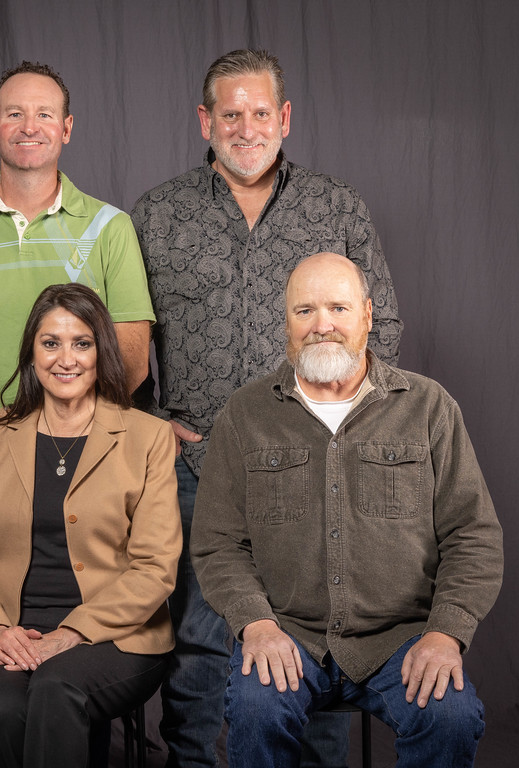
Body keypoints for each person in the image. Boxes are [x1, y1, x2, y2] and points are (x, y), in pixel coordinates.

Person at [130, 49, 404, 766]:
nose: (245, 127)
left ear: (283, 118)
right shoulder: (155, 215)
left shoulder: (334, 206)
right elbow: (123, 339)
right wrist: (148, 419)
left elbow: (387, 328)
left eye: (260, 112)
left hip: (316, 461)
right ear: (204, 120)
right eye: (230, 113)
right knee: (197, 637)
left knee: (314, 631)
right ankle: (194, 761)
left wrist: (346, 420)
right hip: (196, 461)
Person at [0, 61, 154, 765]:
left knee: (78, 659)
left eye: (44, 114)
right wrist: (1, 438)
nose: (28, 127)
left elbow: (131, 357)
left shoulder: (109, 228)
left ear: (67, 129)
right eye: (13, 113)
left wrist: (70, 438)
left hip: (90, 474)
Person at [190, 253, 503, 767]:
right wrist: (256, 625)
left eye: (338, 307)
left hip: (402, 639)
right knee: (253, 708)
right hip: (287, 634)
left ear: (368, 315)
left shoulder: (428, 407)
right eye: (305, 311)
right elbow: (218, 542)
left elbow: (473, 535)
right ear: (286, 321)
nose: (322, 325)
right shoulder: (245, 413)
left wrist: (446, 632)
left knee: (451, 717)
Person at [0, 283, 181, 767]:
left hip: (117, 636)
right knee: (5, 712)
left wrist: (68, 635)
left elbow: (155, 569)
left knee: (55, 688)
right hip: (14, 630)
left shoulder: (148, 437)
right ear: (31, 353)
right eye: (50, 342)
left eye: (82, 343)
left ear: (101, 352)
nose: (65, 358)